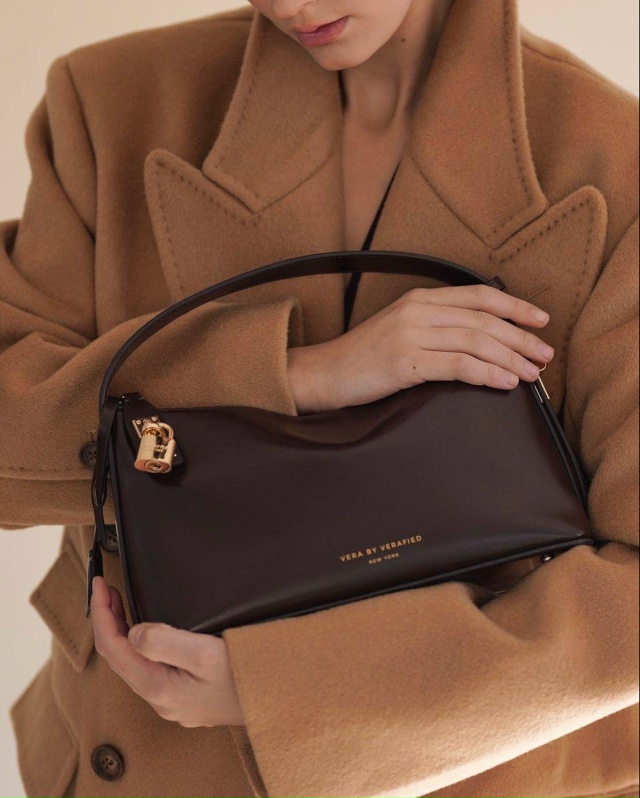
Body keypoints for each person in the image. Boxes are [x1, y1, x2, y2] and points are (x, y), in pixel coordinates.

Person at [1, 1, 637, 796]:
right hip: (143, 758)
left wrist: (285, 694)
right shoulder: (112, 103)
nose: (292, 5)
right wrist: (302, 375)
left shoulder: (614, 162)